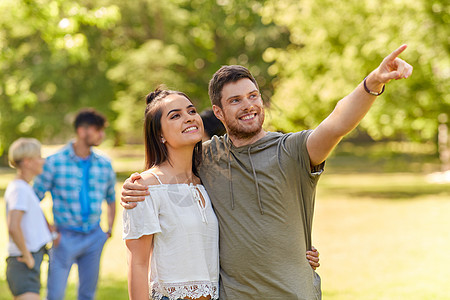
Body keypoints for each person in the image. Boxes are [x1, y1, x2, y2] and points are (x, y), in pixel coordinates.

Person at [122, 45, 412, 299]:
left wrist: (372, 83)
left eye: (253, 96)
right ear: (218, 112)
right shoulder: (207, 157)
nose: (248, 106)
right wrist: (135, 184)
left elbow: (337, 122)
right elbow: (167, 170)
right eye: (235, 100)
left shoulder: (293, 150)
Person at [123, 87, 220, 300]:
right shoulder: (145, 187)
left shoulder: (208, 181)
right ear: (160, 135)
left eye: (191, 111)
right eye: (175, 115)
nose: (188, 118)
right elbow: (137, 263)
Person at [33, 108, 116, 300]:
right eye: (97, 129)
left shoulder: (105, 163)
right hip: (64, 238)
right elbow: (33, 199)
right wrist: (52, 231)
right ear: (81, 131)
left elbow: (111, 198)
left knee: (87, 295)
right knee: (55, 295)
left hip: (94, 237)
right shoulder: (54, 162)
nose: (102, 135)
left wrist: (109, 229)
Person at [5, 138, 56, 300]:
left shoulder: (24, 187)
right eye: (39, 157)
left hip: (29, 262)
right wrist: (27, 257)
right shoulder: (19, 189)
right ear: (27, 162)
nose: (43, 161)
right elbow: (13, 226)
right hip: (23, 263)